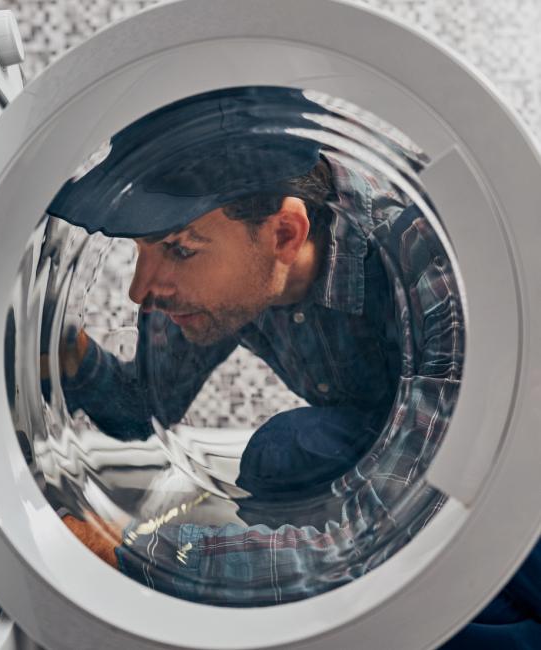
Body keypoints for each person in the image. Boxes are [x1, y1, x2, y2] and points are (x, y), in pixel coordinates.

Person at [44, 87, 539, 642]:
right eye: (142, 250)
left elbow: (406, 520)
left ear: (284, 232)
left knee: (447, 603)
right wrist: (66, 351)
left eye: (179, 249)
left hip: (517, 468)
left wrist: (147, 562)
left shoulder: (428, 253)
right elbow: (145, 405)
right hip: (407, 453)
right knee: (286, 452)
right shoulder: (232, 279)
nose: (141, 291)